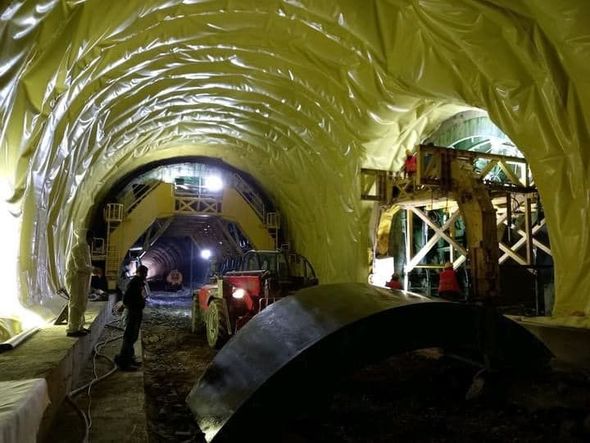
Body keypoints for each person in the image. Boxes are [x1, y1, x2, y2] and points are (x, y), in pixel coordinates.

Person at [115, 265, 148, 371]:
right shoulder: (134, 283)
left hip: (135, 313)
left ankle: (129, 358)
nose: (145, 275)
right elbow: (126, 299)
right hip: (132, 313)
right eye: (144, 273)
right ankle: (124, 363)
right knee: (129, 338)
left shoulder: (138, 283)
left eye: (146, 273)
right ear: (139, 273)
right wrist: (133, 307)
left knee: (132, 337)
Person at [65, 229, 95, 337]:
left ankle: (79, 326)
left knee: (82, 303)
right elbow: (80, 266)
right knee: (75, 304)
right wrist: (93, 270)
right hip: (75, 281)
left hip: (82, 281)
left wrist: (92, 270)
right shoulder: (76, 249)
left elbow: (86, 266)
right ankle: (72, 329)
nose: (91, 240)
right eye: (90, 238)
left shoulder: (84, 249)